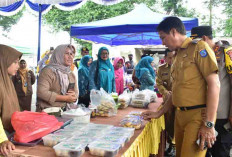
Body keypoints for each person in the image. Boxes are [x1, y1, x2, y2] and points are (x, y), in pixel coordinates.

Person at [141, 17, 220, 157]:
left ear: (173, 32)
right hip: (180, 116)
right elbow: (176, 90)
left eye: (163, 37)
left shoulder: (199, 47)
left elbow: (215, 84)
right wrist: (159, 113)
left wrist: (209, 124)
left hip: (196, 117)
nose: (162, 42)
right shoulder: (177, 55)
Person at [190, 26, 232, 157]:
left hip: (222, 116)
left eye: (196, 42)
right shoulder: (199, 54)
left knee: (220, 152)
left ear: (204, 38)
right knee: (203, 151)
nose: (194, 45)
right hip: (203, 115)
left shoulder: (227, 52)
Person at [36, 44, 78, 112]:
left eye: (72, 54)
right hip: (47, 114)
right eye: (67, 53)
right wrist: (65, 98)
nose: (70, 57)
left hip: (65, 112)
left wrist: (73, 97)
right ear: (59, 55)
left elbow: (75, 93)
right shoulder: (48, 71)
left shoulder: (70, 74)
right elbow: (41, 92)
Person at [156, 49, 175, 156]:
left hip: (180, 102)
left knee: (179, 123)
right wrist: (165, 92)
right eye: (169, 57)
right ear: (165, 58)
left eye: (173, 57)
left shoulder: (181, 67)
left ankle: (176, 145)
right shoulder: (161, 69)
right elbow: (158, 83)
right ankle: (171, 145)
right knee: (169, 124)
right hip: (167, 101)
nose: (172, 59)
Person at [0, 44, 22, 133]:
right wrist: (2, 140)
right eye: (15, 62)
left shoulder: (7, 80)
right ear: (3, 61)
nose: (18, 66)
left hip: (10, 132)